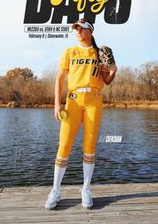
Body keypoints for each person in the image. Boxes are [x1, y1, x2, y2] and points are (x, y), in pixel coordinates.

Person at [45, 18, 117, 210]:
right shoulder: (69, 51)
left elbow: (106, 80)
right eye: (76, 28)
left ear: (90, 31)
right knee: (64, 144)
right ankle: (56, 189)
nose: (77, 31)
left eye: (81, 28)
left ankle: (85, 189)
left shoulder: (99, 53)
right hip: (73, 100)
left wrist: (113, 70)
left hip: (94, 99)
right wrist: (56, 104)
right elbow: (60, 79)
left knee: (90, 144)